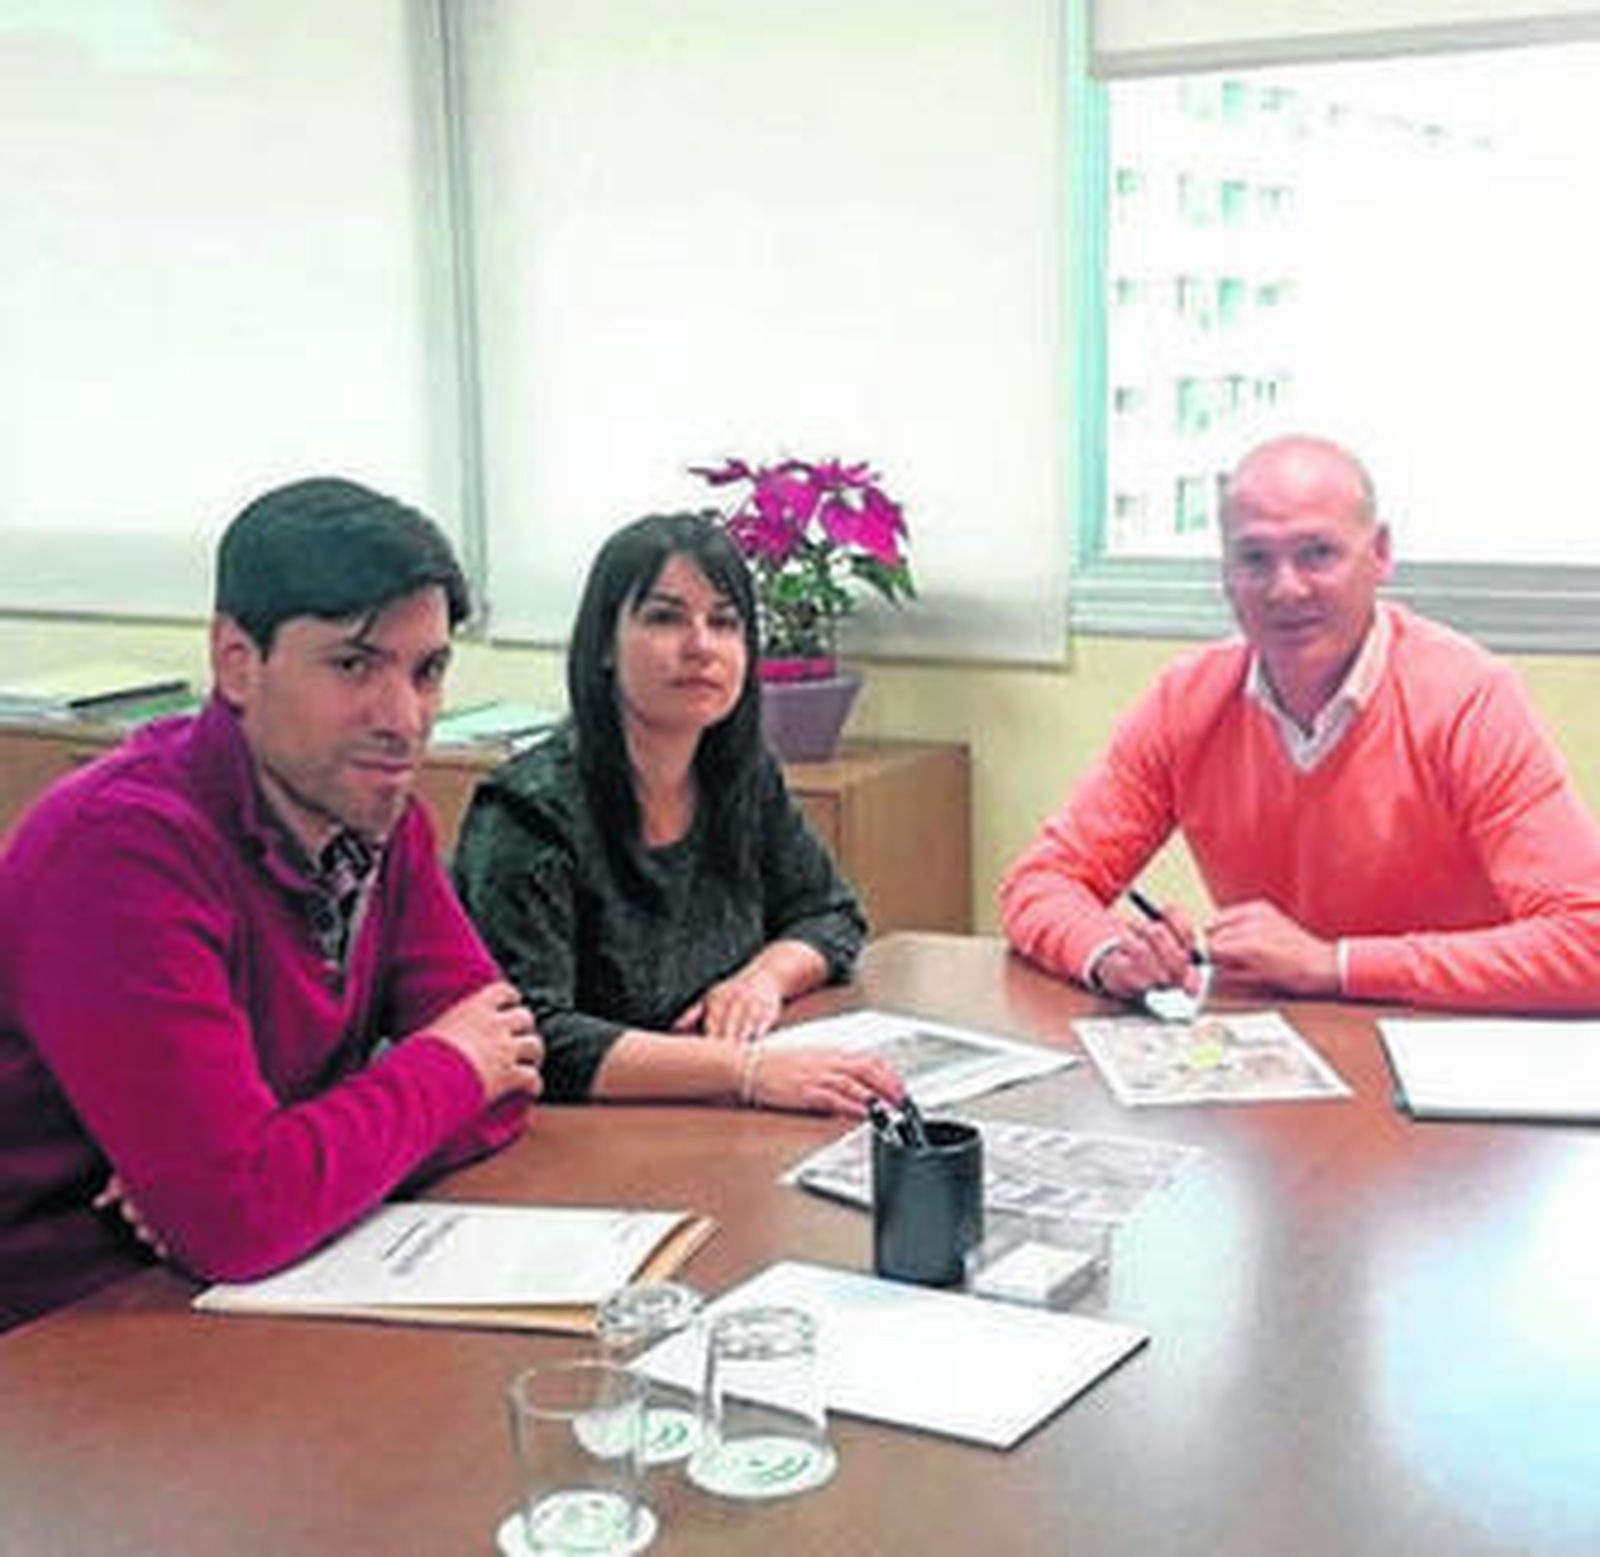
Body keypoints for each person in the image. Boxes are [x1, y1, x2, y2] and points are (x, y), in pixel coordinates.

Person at [0, 478, 542, 1332]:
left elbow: (508, 1071)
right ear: (237, 662)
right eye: (354, 663)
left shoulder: (379, 815)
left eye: (428, 669)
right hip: (65, 1329)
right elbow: (238, 1217)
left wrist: (286, 1162)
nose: (405, 720)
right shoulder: (119, 849)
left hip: (255, 1292)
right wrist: (438, 1074)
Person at [1000, 433, 1600, 1012]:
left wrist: (1334, 965)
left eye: (1318, 554)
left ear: (1381, 552)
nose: (1285, 588)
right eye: (1255, 559)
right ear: (1224, 572)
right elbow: (1042, 881)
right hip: (1277, 1060)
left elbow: (1588, 940)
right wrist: (1110, 953)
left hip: (1449, 1051)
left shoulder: (1468, 699)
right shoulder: (1187, 702)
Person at [453, 511, 902, 1113]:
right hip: (582, 1142)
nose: (701, 646)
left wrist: (762, 979)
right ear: (604, 645)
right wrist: (744, 1071)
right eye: (665, 618)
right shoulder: (528, 812)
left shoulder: (742, 776)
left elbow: (830, 914)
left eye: (724, 622)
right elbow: (531, 1035)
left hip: (709, 1121)